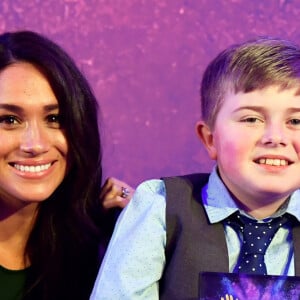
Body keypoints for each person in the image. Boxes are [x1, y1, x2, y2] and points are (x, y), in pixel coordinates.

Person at [91, 36, 300, 300]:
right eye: (251, 119)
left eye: (295, 120)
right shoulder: (160, 205)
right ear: (210, 139)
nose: (276, 137)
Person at [0, 30, 128, 300]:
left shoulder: (89, 247)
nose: (35, 144)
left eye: (55, 118)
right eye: (9, 120)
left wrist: (135, 231)